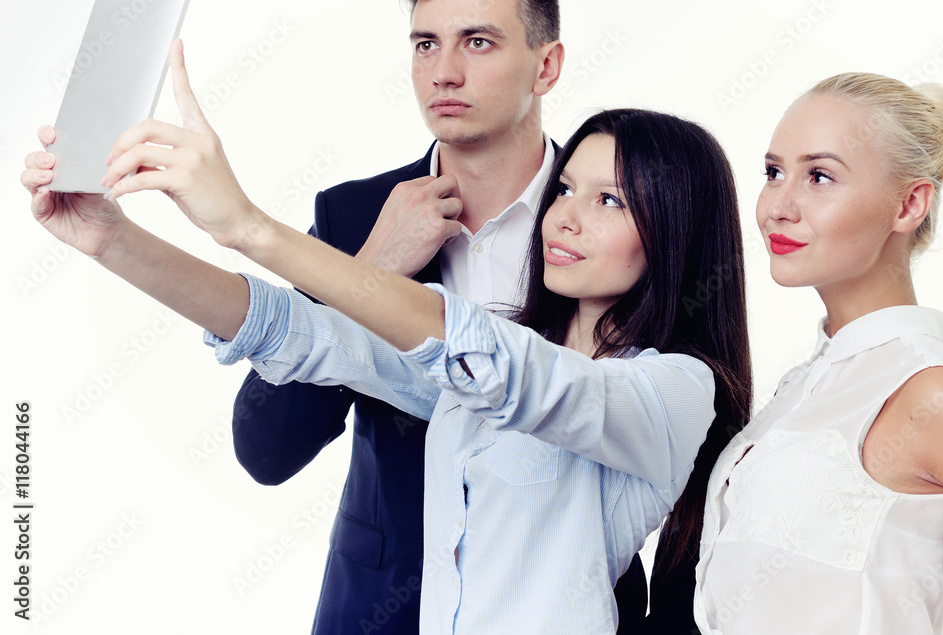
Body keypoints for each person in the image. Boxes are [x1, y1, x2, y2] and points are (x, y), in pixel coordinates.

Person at [24, 62, 752, 629]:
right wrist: (111, 240)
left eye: (611, 200)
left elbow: (528, 376)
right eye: (565, 189)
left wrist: (248, 224)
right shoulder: (486, 368)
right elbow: (304, 335)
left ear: (675, 231)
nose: (564, 216)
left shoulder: (674, 391)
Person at [222, 0, 661, 634]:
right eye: (426, 44)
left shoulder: (625, 215)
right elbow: (265, 447)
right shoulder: (354, 214)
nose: (444, 72)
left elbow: (685, 437)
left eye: (477, 42)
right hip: (386, 605)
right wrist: (373, 269)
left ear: (546, 66)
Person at [693, 72, 943, 634]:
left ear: (909, 204)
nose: (777, 207)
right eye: (773, 172)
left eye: (819, 176)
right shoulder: (805, 386)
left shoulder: (930, 391)